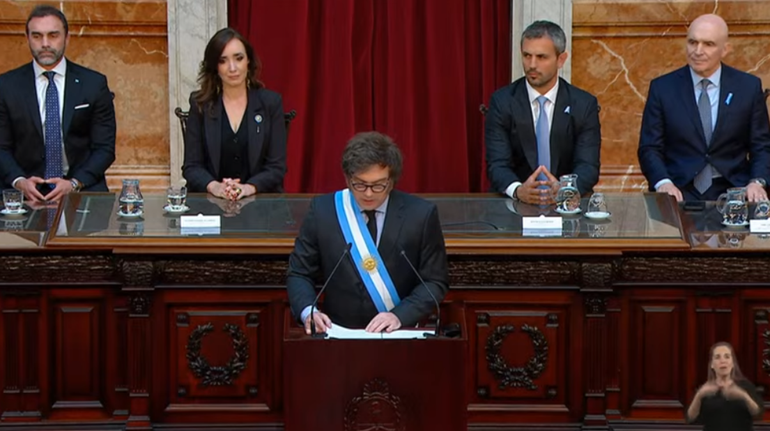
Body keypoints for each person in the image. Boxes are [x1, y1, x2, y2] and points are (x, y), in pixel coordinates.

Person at [286, 132, 449, 334]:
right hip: (338, 332)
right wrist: (308, 312)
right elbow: (299, 273)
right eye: (360, 184)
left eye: (378, 185)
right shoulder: (323, 211)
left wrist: (399, 316)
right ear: (347, 179)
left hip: (398, 333)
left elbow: (434, 281)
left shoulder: (420, 215)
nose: (369, 193)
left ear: (392, 181)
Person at [638, 14, 770, 203]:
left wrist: (757, 182)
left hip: (735, 191)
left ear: (725, 49)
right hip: (679, 190)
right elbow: (650, 147)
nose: (698, 51)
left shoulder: (747, 87)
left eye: (708, 44)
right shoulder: (663, 88)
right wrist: (663, 182)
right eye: (693, 42)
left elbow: (761, 146)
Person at [0, 4, 116, 202]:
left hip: (82, 189)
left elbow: (104, 148)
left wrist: (74, 183)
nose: (45, 43)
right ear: (27, 39)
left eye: (53, 35)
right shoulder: (6, 86)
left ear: (67, 38)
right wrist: (19, 182)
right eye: (37, 36)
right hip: (22, 194)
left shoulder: (93, 84)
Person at [485, 20, 601, 205]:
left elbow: (588, 166)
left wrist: (566, 190)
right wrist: (518, 190)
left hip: (567, 206)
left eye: (541, 57)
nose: (532, 64)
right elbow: (497, 164)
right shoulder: (502, 102)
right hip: (514, 206)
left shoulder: (583, 104)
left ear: (561, 59)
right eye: (527, 55)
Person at [183, 27, 286, 200]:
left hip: (260, 204)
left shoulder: (270, 103)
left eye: (238, 58)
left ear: (248, 61)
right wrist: (215, 187)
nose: (232, 68)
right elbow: (192, 166)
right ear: (215, 67)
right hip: (211, 204)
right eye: (223, 61)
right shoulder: (200, 104)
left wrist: (248, 188)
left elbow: (276, 167)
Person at [686, 341, 764, 430]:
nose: (723, 361)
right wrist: (699, 396)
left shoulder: (745, 385)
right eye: (717, 357)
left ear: (733, 363)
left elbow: (758, 414)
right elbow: (690, 418)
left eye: (727, 356)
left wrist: (744, 396)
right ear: (712, 364)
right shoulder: (705, 389)